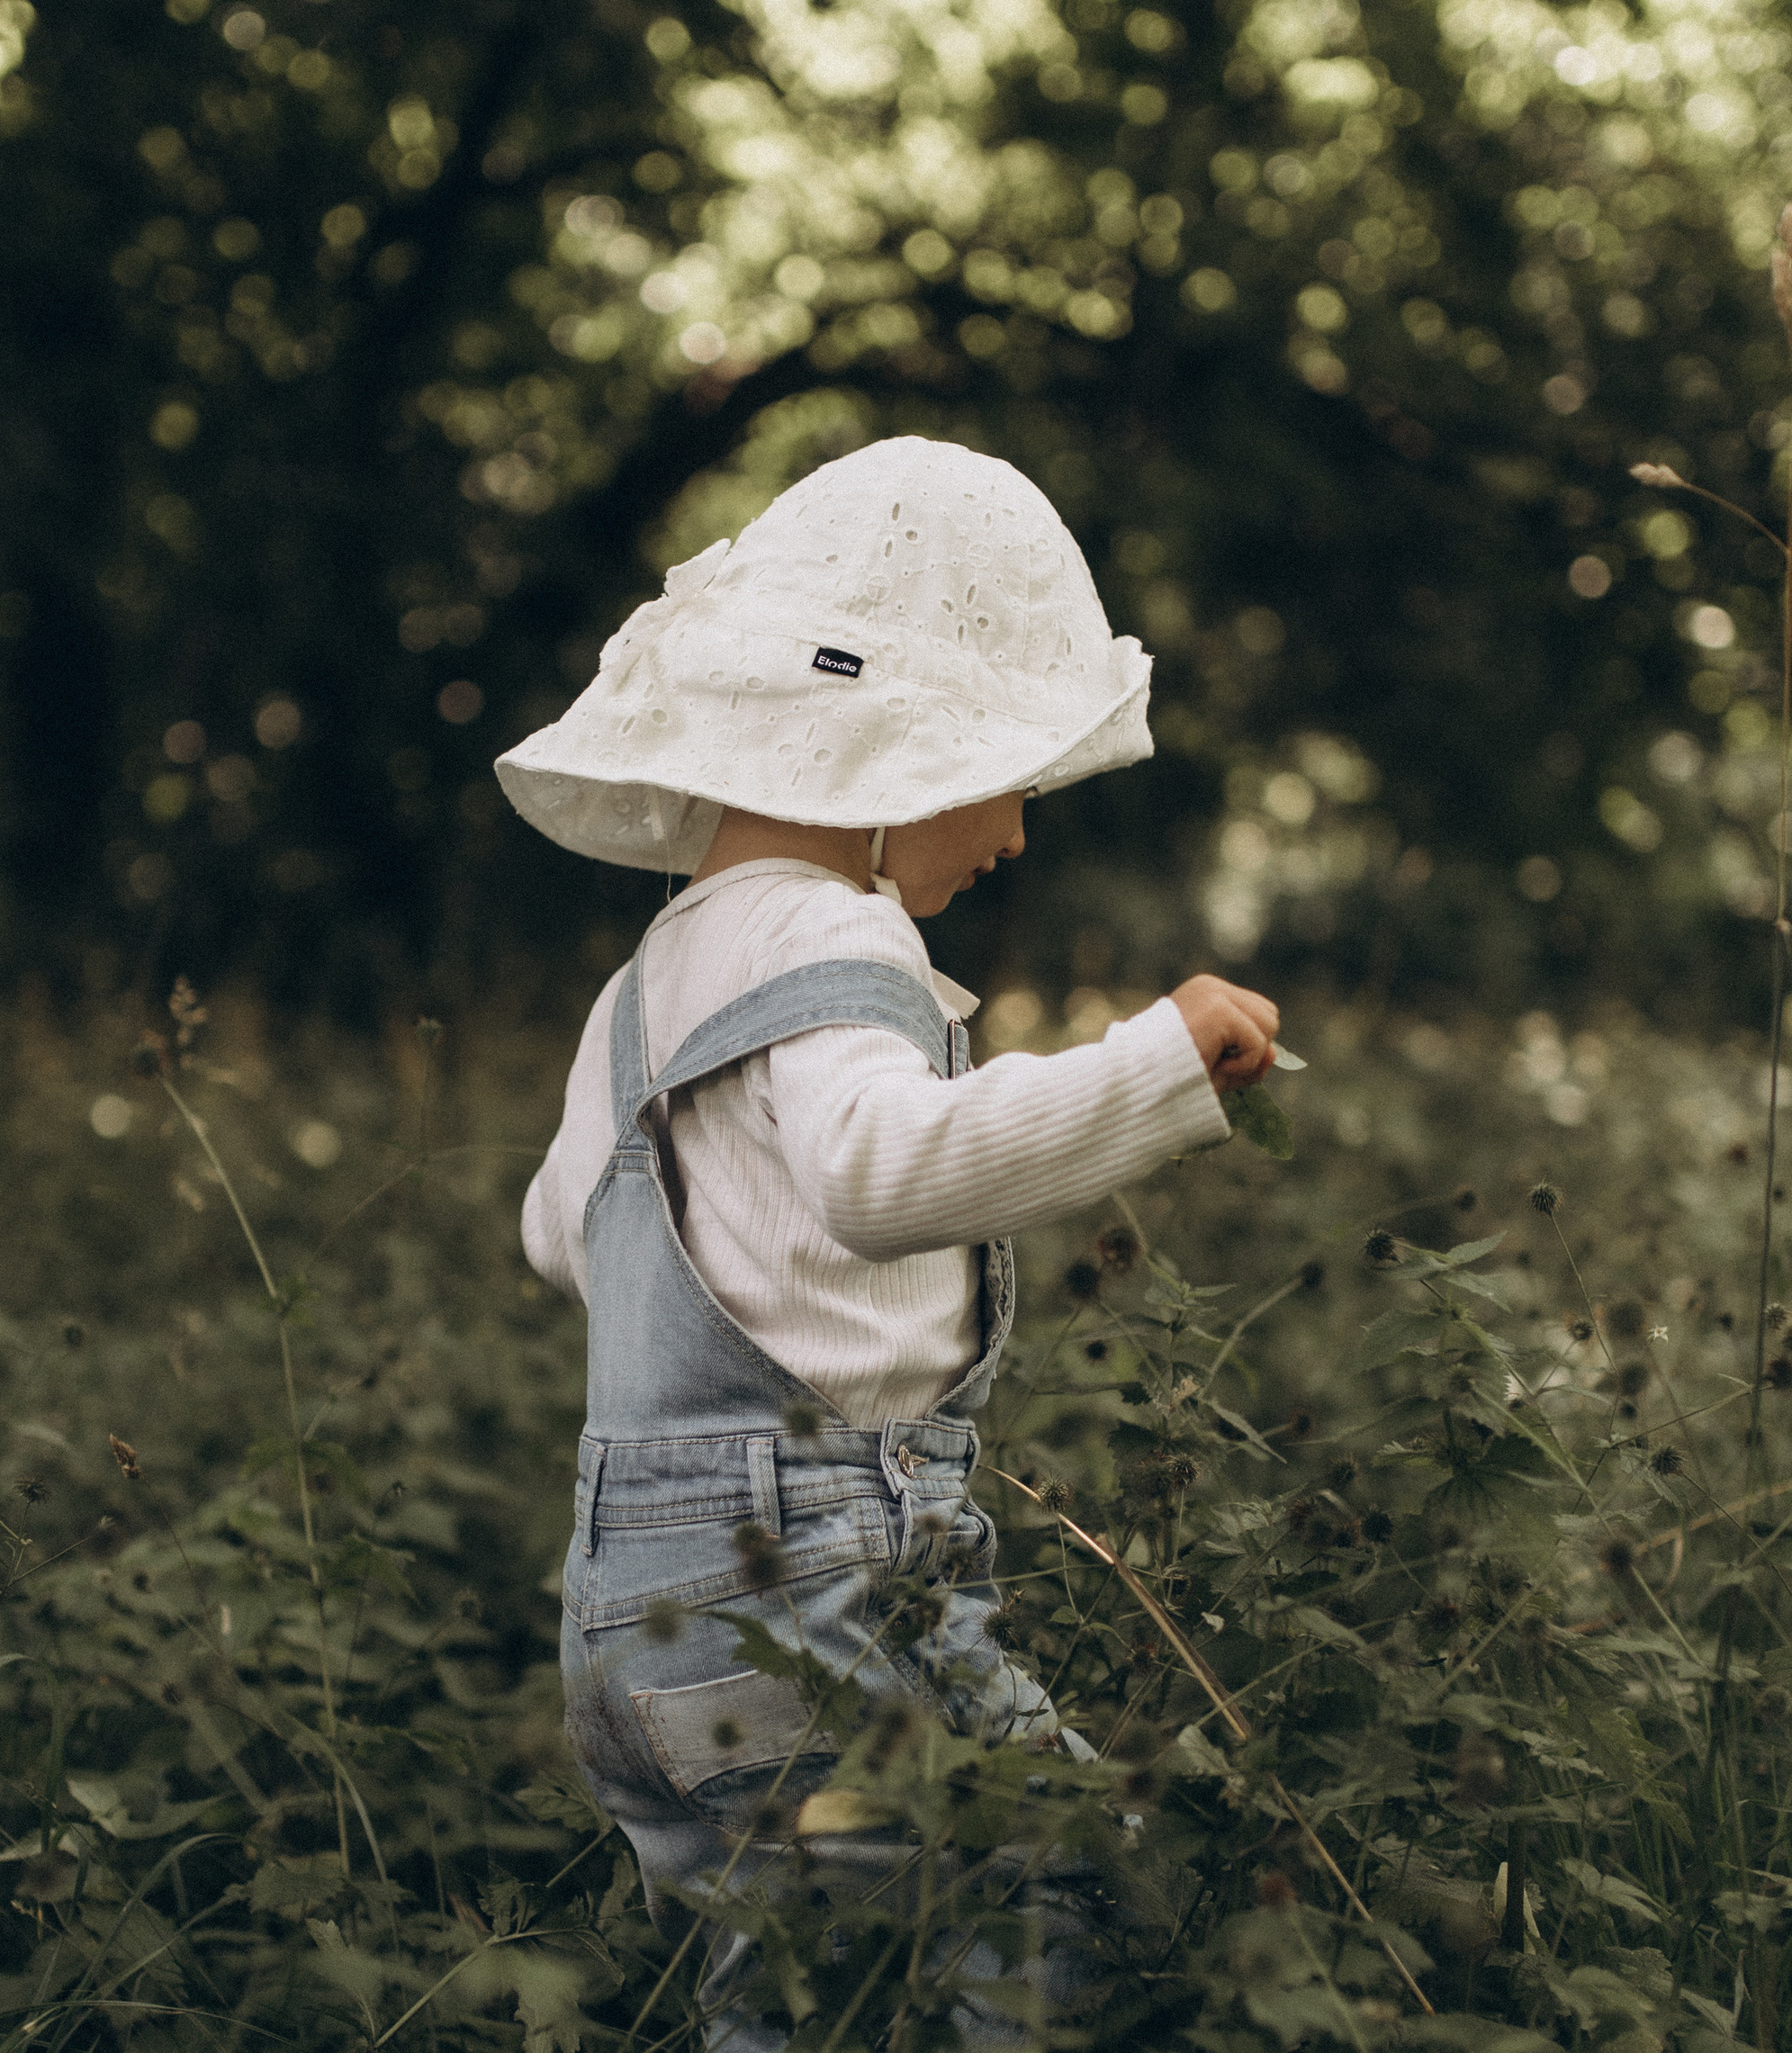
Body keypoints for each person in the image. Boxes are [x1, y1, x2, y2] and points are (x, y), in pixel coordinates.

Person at [496, 436, 1278, 2047]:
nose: (1010, 836)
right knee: (1059, 1884)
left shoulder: (651, 978)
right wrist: (1149, 1064)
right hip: (812, 1568)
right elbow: (880, 1170)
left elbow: (560, 1229)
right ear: (879, 762)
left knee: (789, 1978)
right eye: (1001, 778)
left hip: (633, 1602)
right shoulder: (836, 923)